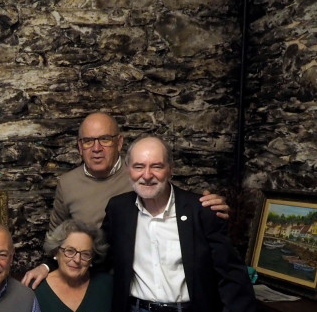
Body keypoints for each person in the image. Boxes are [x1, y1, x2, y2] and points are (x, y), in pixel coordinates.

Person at [101, 135, 260, 312]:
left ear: (170, 169)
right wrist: (51, 265)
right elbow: (98, 255)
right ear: (128, 169)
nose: (147, 175)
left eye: (156, 166)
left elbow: (232, 277)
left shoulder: (202, 211)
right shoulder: (119, 209)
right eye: (139, 166)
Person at [21, 112, 230, 289]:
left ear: (119, 142)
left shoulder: (139, 177)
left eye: (105, 139)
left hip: (132, 283)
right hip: (90, 280)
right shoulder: (67, 184)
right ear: (79, 146)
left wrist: (207, 205)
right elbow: (56, 237)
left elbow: (169, 192)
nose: (96, 148)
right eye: (88, 141)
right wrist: (47, 266)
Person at [34, 219, 112, 312]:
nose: (77, 259)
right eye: (69, 251)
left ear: (92, 259)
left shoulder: (106, 286)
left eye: (85, 254)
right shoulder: (37, 289)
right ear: (56, 252)